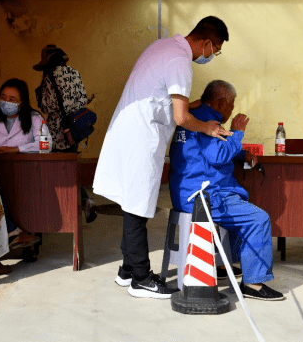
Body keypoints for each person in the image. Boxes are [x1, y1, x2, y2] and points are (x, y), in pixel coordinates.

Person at [93, 16, 231, 299]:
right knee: (137, 207)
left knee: (134, 202)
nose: (211, 55)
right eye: (214, 49)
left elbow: (166, 99)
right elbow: (181, 117)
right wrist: (207, 126)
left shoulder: (162, 47)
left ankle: (128, 270)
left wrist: (199, 107)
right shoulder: (180, 61)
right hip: (141, 137)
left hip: (130, 129)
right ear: (205, 42)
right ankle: (140, 279)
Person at [169, 80, 285, 301]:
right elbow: (218, 155)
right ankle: (253, 284)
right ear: (222, 102)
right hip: (204, 196)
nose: (232, 110)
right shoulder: (207, 119)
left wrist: (241, 154)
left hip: (185, 191)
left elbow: (210, 148)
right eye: (231, 105)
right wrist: (238, 132)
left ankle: (220, 263)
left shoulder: (195, 116)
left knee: (239, 209)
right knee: (258, 219)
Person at [0, 79, 48, 274]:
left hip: (25, 173)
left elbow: (45, 144)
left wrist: (17, 149)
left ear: (22, 101)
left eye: (12, 99)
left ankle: (28, 242)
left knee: (26, 205)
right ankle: (11, 238)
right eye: (3, 97)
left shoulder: (35, 119)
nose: (6, 102)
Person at [33, 45, 97, 223]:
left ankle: (75, 203)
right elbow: (83, 98)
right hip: (76, 126)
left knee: (59, 167)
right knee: (70, 164)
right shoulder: (74, 73)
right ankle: (84, 200)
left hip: (57, 130)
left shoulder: (50, 78)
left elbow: (46, 106)